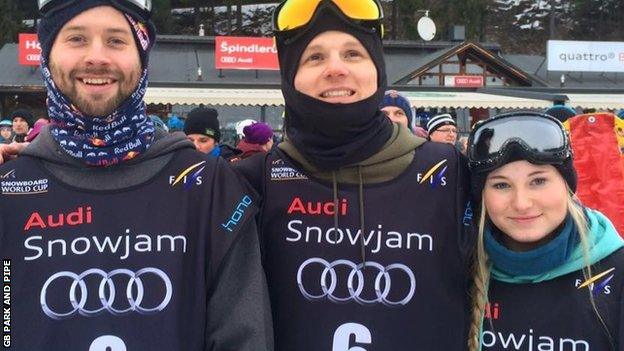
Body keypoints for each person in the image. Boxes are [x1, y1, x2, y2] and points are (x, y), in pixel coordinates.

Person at [0, 2, 271, 350]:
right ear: (48, 55)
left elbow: (244, 337)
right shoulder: (10, 191)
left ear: (142, 58)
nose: (97, 57)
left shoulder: (209, 188)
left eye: (116, 41)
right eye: (76, 38)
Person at [234, 1, 472, 350]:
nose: (336, 70)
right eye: (314, 57)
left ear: (377, 68)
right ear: (290, 76)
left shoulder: (450, 172)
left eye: (352, 54)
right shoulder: (254, 181)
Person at [467, 112, 624, 351]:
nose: (522, 203)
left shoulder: (617, 271)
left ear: (568, 186)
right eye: (501, 185)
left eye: (538, 181)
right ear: (483, 197)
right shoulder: (462, 270)